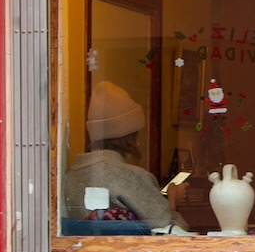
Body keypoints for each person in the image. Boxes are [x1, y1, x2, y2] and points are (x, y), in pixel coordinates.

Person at [64, 81, 192, 232]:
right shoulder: (132, 176)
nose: (138, 143)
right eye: (136, 135)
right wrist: (172, 202)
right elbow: (170, 232)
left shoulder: (70, 175)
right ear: (130, 138)